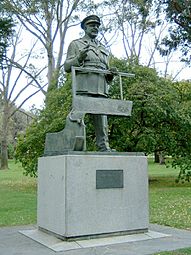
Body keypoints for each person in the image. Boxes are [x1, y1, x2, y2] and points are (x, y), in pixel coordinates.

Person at [64, 15, 116, 152]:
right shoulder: (76, 44)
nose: (95, 28)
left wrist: (111, 74)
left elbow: (106, 70)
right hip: (84, 87)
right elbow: (67, 67)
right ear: (85, 27)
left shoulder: (103, 48)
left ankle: (104, 146)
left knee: (102, 122)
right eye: (92, 25)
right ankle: (73, 145)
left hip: (101, 89)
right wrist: (79, 57)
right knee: (77, 119)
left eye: (97, 26)